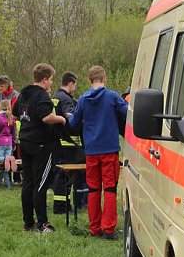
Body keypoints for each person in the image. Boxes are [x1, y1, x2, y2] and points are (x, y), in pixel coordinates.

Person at [68, 66, 128, 239]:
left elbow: (73, 124)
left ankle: (94, 228)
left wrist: (68, 117)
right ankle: (108, 229)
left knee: (93, 189)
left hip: (91, 150)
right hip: (109, 149)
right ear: (104, 79)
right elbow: (127, 113)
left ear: (89, 80)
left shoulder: (82, 100)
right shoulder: (112, 97)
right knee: (109, 189)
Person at [12, 63, 66, 233]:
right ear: (44, 79)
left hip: (25, 142)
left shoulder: (23, 94)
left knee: (28, 183)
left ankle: (28, 223)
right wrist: (61, 119)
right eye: (50, 80)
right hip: (41, 145)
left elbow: (14, 115)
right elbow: (46, 117)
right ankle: (43, 224)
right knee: (41, 184)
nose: (51, 83)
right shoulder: (42, 95)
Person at [52, 72, 86, 211]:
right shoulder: (66, 99)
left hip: (58, 141)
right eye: (75, 85)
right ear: (70, 83)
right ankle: (61, 207)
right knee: (66, 175)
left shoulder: (55, 97)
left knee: (60, 174)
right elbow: (71, 118)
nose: (75, 88)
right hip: (68, 143)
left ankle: (62, 204)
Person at [0, 99, 17, 188]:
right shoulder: (11, 117)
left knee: (2, 162)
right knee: (6, 163)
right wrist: (14, 143)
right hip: (9, 142)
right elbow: (14, 132)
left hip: (1, 142)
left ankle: (8, 184)